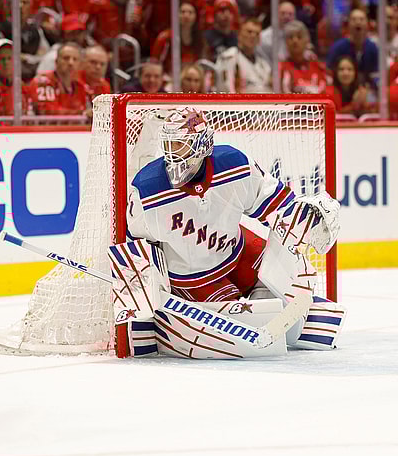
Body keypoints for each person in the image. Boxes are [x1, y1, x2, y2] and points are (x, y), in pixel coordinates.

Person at [125, 106, 344, 353]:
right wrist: (146, 310)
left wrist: (308, 220)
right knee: (242, 325)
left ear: (201, 143)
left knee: (283, 288)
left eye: (178, 144)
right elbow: (136, 250)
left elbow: (273, 204)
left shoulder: (234, 164)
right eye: (168, 145)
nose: (171, 153)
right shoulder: (146, 190)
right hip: (194, 278)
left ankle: (283, 312)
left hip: (238, 252)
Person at [27, 42, 90, 116]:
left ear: (80, 64)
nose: (71, 63)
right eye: (66, 58)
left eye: (75, 59)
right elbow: (46, 112)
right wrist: (81, 114)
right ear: (56, 61)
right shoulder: (42, 82)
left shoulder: (82, 87)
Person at [215, 18, 271, 93]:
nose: (253, 36)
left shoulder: (264, 64)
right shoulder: (229, 57)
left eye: (257, 33)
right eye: (249, 32)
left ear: (259, 39)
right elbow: (226, 89)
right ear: (239, 34)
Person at [151, 0, 206, 76]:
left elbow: (202, 64)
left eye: (190, 12)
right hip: (168, 79)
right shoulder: (165, 37)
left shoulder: (200, 39)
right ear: (176, 15)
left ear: (196, 16)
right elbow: (154, 64)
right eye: (182, 12)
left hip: (192, 79)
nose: (186, 15)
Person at [326, 7, 379, 84]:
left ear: (367, 24)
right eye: (354, 19)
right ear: (348, 24)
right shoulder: (338, 47)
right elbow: (328, 71)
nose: (358, 22)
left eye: (361, 19)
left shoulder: (373, 48)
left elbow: (376, 74)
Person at [279, 20, 327, 94]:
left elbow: (328, 90)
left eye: (299, 37)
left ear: (307, 40)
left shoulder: (318, 66)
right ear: (285, 42)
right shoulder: (280, 69)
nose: (295, 41)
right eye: (290, 37)